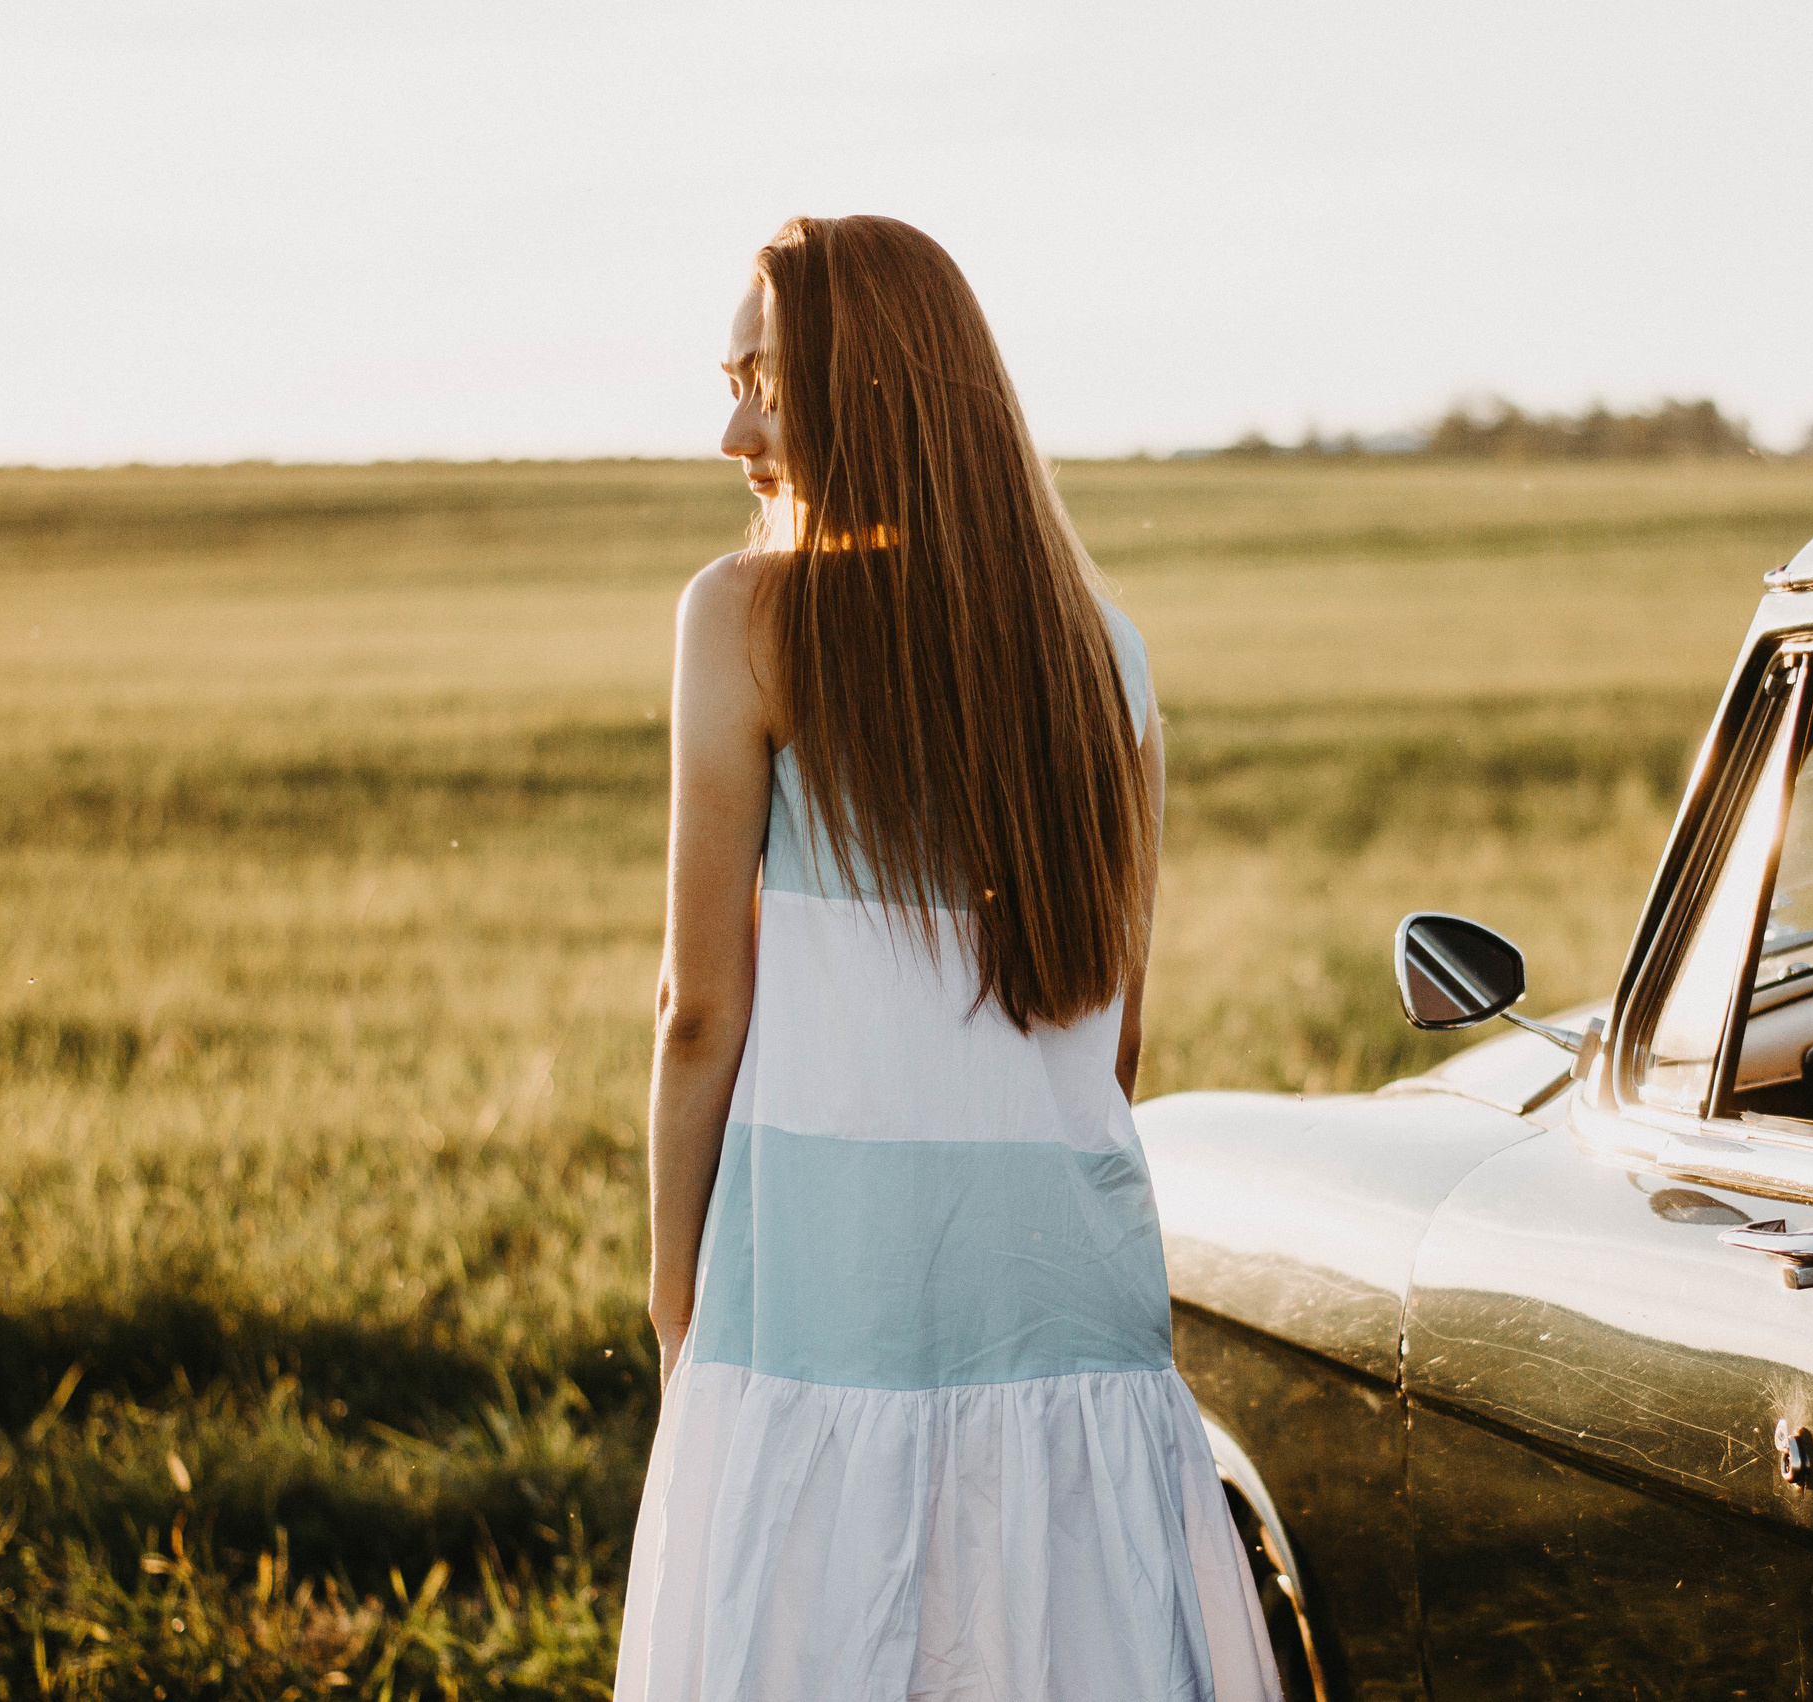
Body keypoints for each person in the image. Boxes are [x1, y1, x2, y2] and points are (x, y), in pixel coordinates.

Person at [615, 216, 1281, 1701]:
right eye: (731, 381)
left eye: (771, 385)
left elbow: (696, 1010)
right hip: (1078, 1318)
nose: (732, 428)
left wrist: (678, 1303)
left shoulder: (742, 618)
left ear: (886, 394)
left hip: (823, 1307)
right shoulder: (1106, 648)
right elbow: (1116, 1036)